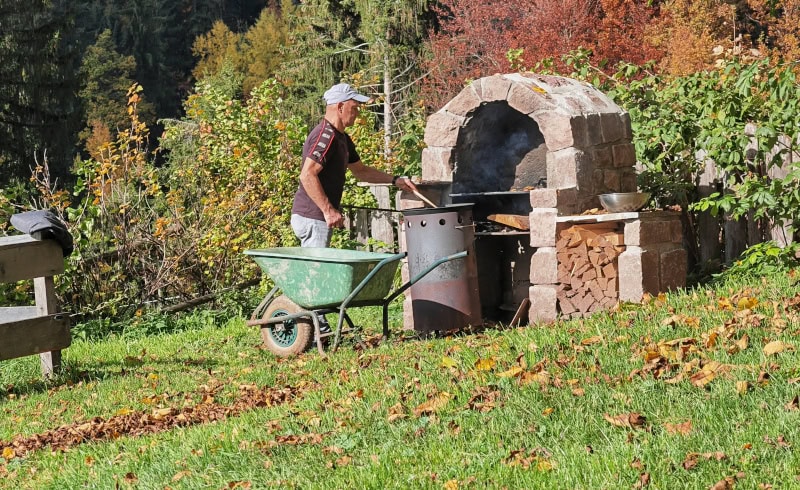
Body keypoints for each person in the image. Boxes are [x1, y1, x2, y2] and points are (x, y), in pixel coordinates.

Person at [291, 82, 419, 248]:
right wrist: (328, 211)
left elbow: (361, 171)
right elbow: (307, 174)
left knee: (317, 271)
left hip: (317, 217)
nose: (357, 113)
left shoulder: (341, 137)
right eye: (355, 108)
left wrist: (396, 180)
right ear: (340, 107)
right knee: (315, 272)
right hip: (312, 217)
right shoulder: (325, 136)